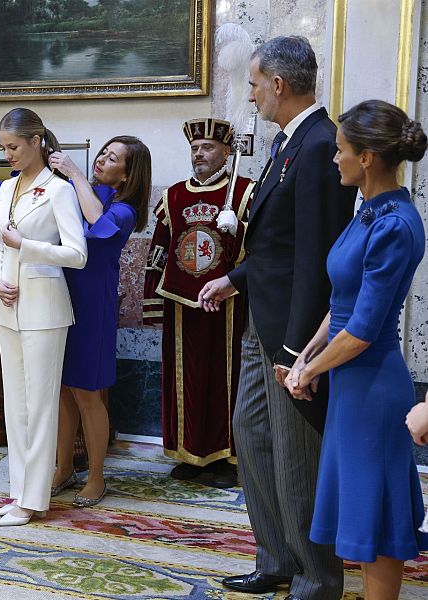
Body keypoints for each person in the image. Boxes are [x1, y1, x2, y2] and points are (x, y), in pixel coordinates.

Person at [199, 36, 356, 599]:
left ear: (280, 85)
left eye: (254, 84)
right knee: (254, 436)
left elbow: (318, 257)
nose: (251, 95)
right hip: (260, 317)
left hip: (291, 335)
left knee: (296, 458)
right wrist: (233, 277)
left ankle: (316, 580)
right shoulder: (290, 144)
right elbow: (276, 246)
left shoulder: (319, 145)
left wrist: (299, 353)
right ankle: (277, 559)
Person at [284, 99, 428, 600]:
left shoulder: (395, 224)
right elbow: (343, 304)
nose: (333, 158)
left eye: (340, 149)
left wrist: (307, 373)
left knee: (378, 520)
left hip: (373, 385)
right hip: (352, 380)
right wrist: (309, 354)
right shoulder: (368, 211)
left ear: (366, 157)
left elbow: (364, 329)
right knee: (361, 515)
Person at [0, 107, 87, 527]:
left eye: (13, 146)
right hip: (8, 306)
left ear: (36, 142)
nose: (8, 154)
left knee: (41, 405)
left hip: (45, 309)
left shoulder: (60, 190)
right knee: (16, 404)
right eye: (3, 148)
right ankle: (17, 492)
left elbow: (77, 254)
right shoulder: (7, 188)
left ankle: (34, 500)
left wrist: (27, 246)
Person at [144, 118, 254, 489]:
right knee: (185, 379)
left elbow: (263, 249)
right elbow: (158, 252)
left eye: (207, 148)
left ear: (226, 152)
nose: (199, 155)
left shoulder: (243, 194)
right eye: (195, 149)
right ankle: (189, 453)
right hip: (182, 305)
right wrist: (151, 301)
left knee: (225, 380)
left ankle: (224, 457)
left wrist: (238, 228)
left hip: (229, 306)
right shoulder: (173, 196)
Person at [46, 136, 149, 507]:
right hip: (61, 297)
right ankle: (63, 467)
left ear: (126, 175)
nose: (102, 160)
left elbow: (97, 222)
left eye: (112, 158)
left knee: (88, 392)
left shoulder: (124, 211)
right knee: (62, 389)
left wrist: (74, 172)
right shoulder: (80, 191)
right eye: (102, 154)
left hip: (92, 307)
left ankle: (96, 475)